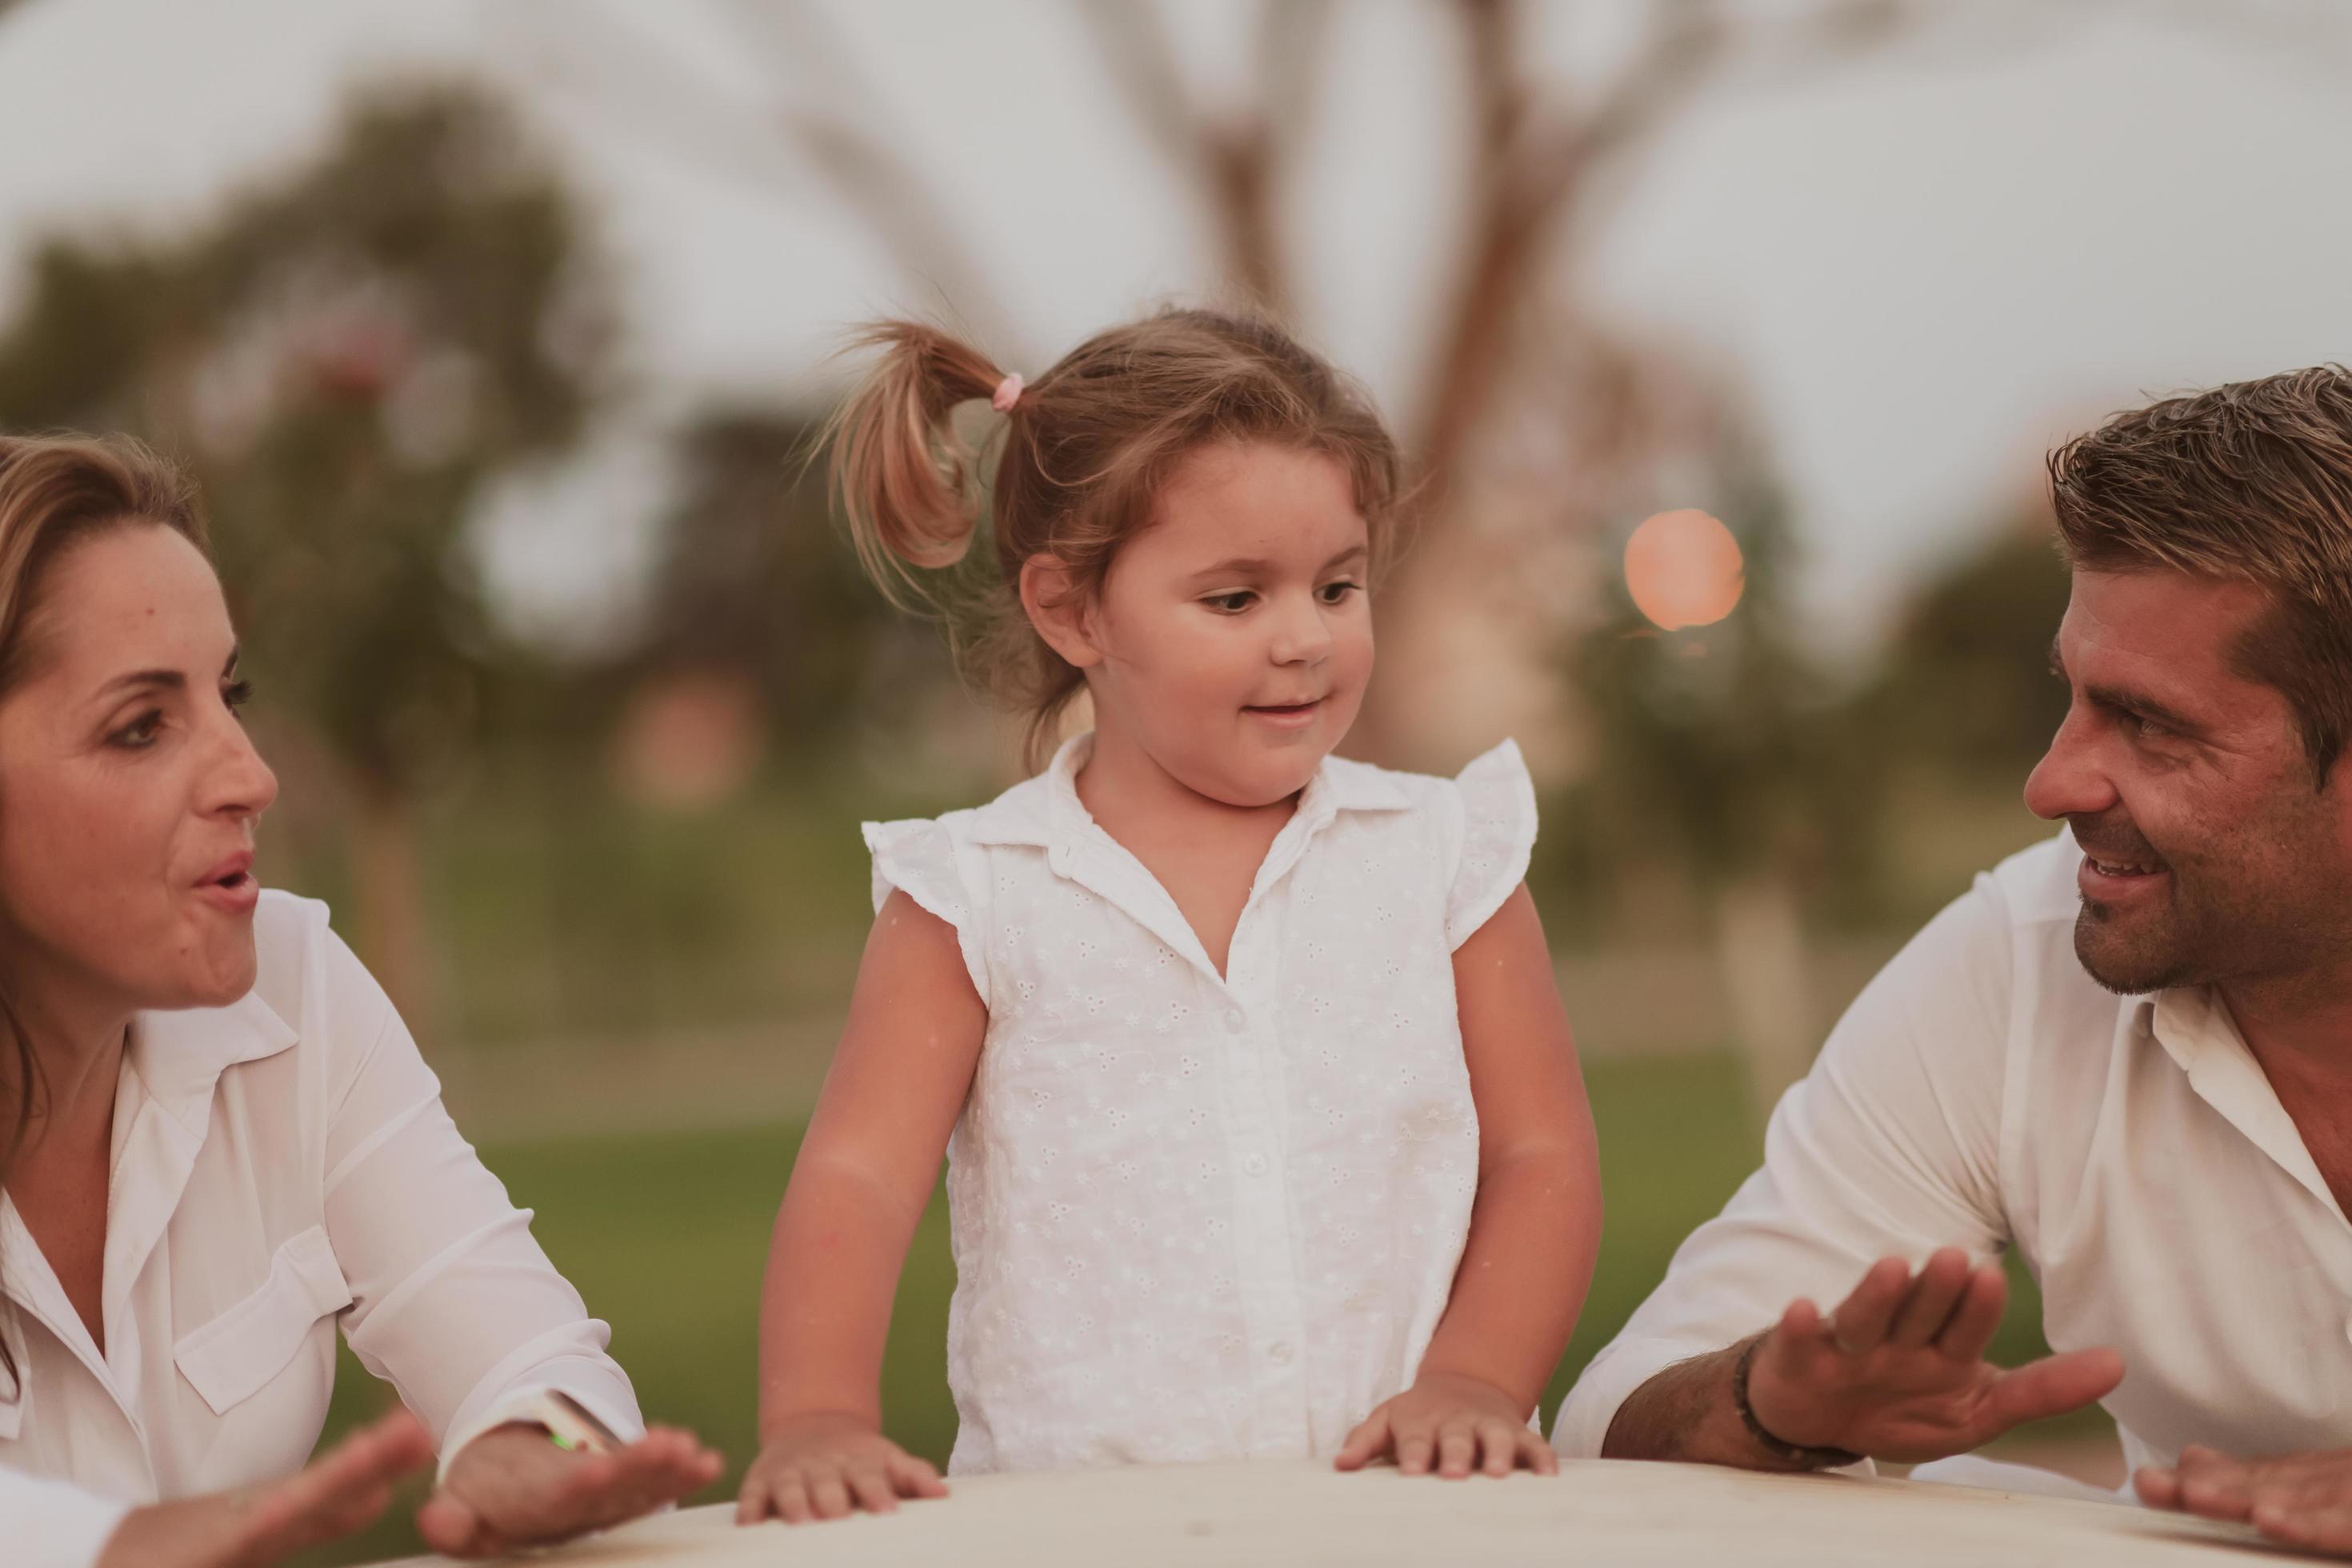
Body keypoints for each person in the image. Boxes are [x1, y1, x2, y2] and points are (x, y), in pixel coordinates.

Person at [734, 310, 1603, 1525]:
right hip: (1078, 1531)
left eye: (1338, 586)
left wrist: (1476, 1381)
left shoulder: (1444, 858)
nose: (1305, 638)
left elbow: (1542, 1157)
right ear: (1073, 613)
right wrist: (818, 1418)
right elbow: (858, 1177)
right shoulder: (980, 893)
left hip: (1410, 1514)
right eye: (1237, 599)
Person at [1553, 366, 2352, 1557]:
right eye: (2074, 698)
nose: (2053, 784)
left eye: (2150, 724)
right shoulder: (2023, 964)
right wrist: (1767, 1409)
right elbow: (1609, 1419)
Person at [0, 434, 724, 1566]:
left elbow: (526, 1350)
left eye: (227, 694)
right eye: (142, 725)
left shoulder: (295, 982)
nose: (250, 774)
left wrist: (537, 1444)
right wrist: (124, 1544)